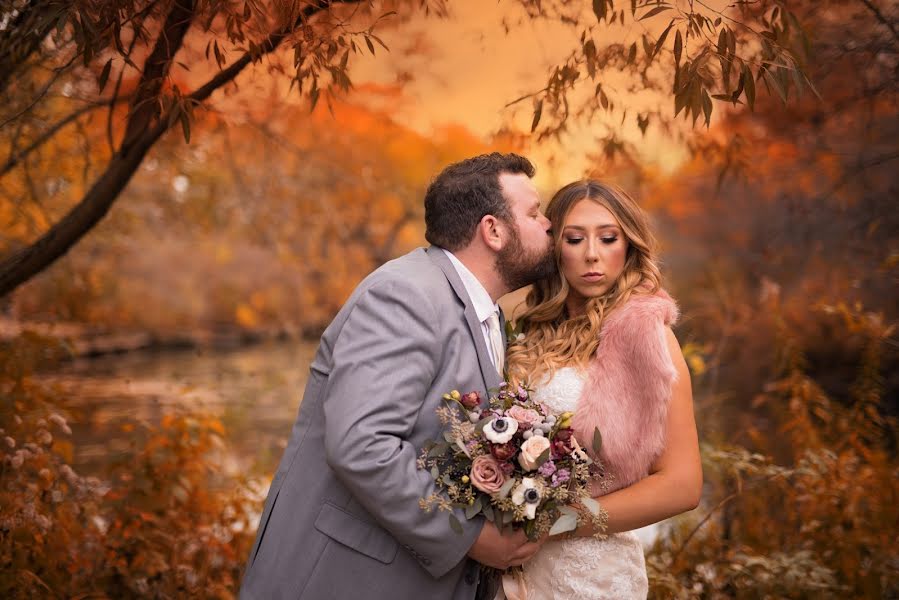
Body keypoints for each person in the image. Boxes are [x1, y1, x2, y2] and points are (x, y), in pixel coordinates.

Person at [240, 153, 557, 600]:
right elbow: (361, 443)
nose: (548, 225)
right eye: (534, 212)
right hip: (342, 580)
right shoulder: (406, 294)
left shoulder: (486, 316)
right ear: (494, 231)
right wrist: (471, 536)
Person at [505, 180, 703, 599]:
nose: (592, 254)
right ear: (554, 247)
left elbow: (682, 484)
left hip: (591, 574)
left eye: (608, 238)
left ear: (628, 247)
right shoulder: (530, 332)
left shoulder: (645, 333)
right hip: (512, 567)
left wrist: (557, 521)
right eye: (575, 239)